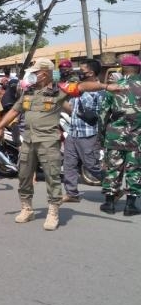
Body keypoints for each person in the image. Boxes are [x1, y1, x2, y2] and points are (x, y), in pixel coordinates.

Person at [0, 57, 119, 231]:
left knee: (52, 177)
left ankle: (53, 211)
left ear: (45, 73)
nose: (33, 75)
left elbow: (82, 87)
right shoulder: (29, 92)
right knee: (24, 176)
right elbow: (14, 110)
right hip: (28, 141)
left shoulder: (59, 90)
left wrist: (106, 86)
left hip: (48, 142)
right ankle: (27, 208)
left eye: (36, 72)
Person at [97, 55, 141, 215]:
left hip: (114, 137)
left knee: (112, 169)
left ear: (122, 69)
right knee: (135, 170)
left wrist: (101, 137)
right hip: (137, 139)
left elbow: (102, 115)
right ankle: (130, 206)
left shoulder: (114, 88)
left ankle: (109, 204)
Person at [61, 59, 104, 203]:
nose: (79, 73)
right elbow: (72, 109)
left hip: (89, 133)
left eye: (82, 71)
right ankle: (72, 193)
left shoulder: (100, 90)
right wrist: (59, 100)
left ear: (91, 73)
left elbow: (96, 113)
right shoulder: (78, 88)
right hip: (73, 131)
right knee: (69, 164)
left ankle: (112, 187)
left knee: (91, 165)